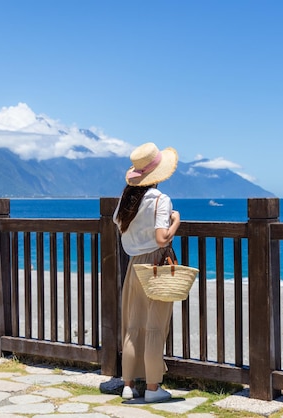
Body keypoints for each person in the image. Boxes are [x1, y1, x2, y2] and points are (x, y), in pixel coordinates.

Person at [113, 142, 181, 403]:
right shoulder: (160, 200)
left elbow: (121, 228)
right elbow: (162, 238)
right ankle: (153, 387)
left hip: (134, 265)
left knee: (132, 325)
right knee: (155, 327)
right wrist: (176, 221)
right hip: (156, 263)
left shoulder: (128, 199)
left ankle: (128, 385)